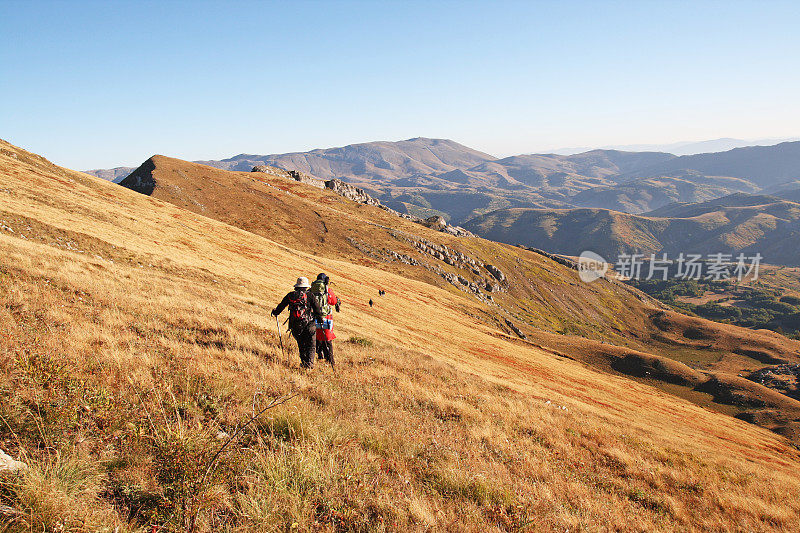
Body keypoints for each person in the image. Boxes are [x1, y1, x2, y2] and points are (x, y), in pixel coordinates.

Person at [271, 277, 323, 369]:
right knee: (311, 344)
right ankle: (309, 364)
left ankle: (303, 363)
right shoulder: (310, 295)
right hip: (309, 324)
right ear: (306, 286)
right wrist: (319, 319)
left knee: (301, 344)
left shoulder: (290, 295)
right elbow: (317, 309)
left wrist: (276, 312)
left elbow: (281, 306)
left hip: (295, 325)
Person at [310, 273, 341, 368]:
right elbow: (333, 301)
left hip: (314, 317)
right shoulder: (327, 290)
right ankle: (331, 361)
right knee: (327, 339)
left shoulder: (311, 289)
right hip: (326, 317)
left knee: (316, 337)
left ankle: (318, 356)